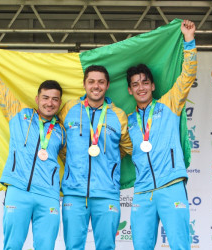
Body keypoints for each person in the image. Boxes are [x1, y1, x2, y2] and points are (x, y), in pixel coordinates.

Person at [0, 44, 66, 250]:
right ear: (37, 98)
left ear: (59, 102)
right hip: (18, 191)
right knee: (12, 245)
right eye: (45, 98)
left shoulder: (62, 131)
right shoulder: (19, 115)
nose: (49, 103)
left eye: (55, 99)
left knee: (46, 247)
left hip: (48, 195)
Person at [126, 20, 197, 249]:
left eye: (145, 82)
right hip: (142, 192)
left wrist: (188, 40)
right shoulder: (126, 122)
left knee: (180, 245)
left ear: (153, 86)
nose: (141, 87)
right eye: (136, 84)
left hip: (171, 185)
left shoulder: (169, 104)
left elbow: (187, 76)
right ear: (129, 90)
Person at [59, 65, 133, 249]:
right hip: (74, 193)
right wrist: (73, 162)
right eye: (91, 81)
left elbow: (127, 148)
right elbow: (57, 141)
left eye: (101, 82)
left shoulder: (119, 115)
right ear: (84, 84)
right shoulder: (69, 108)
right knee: (73, 246)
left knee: (106, 246)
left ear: (107, 85)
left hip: (106, 193)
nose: (96, 86)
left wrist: (110, 163)